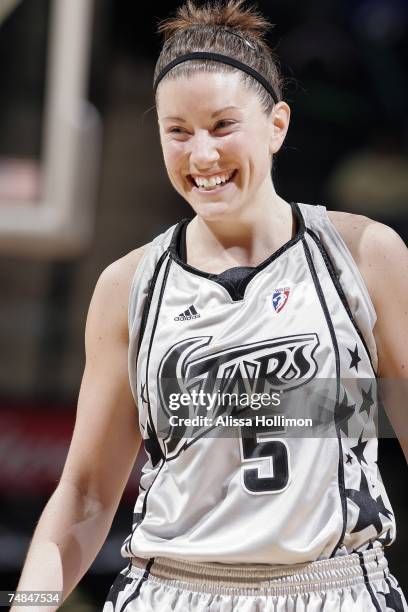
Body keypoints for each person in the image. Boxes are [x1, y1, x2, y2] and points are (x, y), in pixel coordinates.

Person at [13, 1, 408, 611]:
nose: (202, 156)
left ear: (277, 125)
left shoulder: (363, 255)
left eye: (223, 126)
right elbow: (87, 494)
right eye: (178, 130)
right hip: (168, 590)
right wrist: (32, 605)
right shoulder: (129, 285)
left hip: (333, 588)